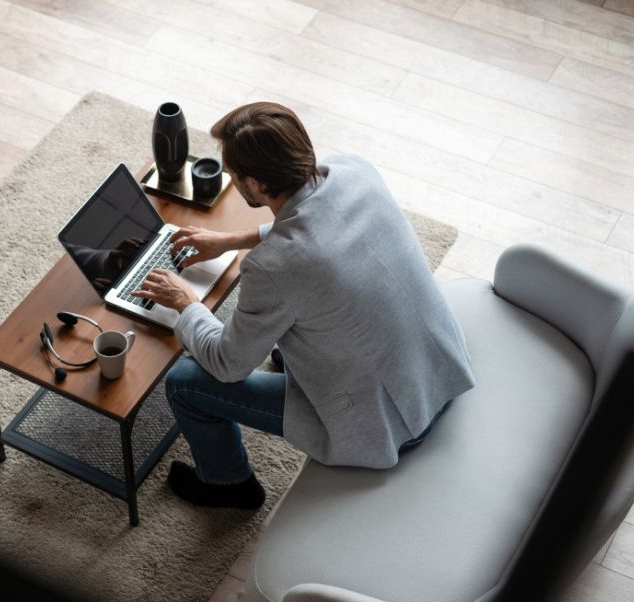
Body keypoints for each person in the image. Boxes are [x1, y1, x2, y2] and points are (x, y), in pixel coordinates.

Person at [130, 102, 476, 510]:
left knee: (185, 381)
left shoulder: (275, 267)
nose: (233, 180)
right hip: (437, 373)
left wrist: (184, 303)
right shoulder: (354, 172)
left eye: (235, 175)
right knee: (297, 323)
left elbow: (227, 364)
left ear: (256, 185)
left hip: (392, 423)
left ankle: (227, 482)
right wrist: (231, 240)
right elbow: (316, 222)